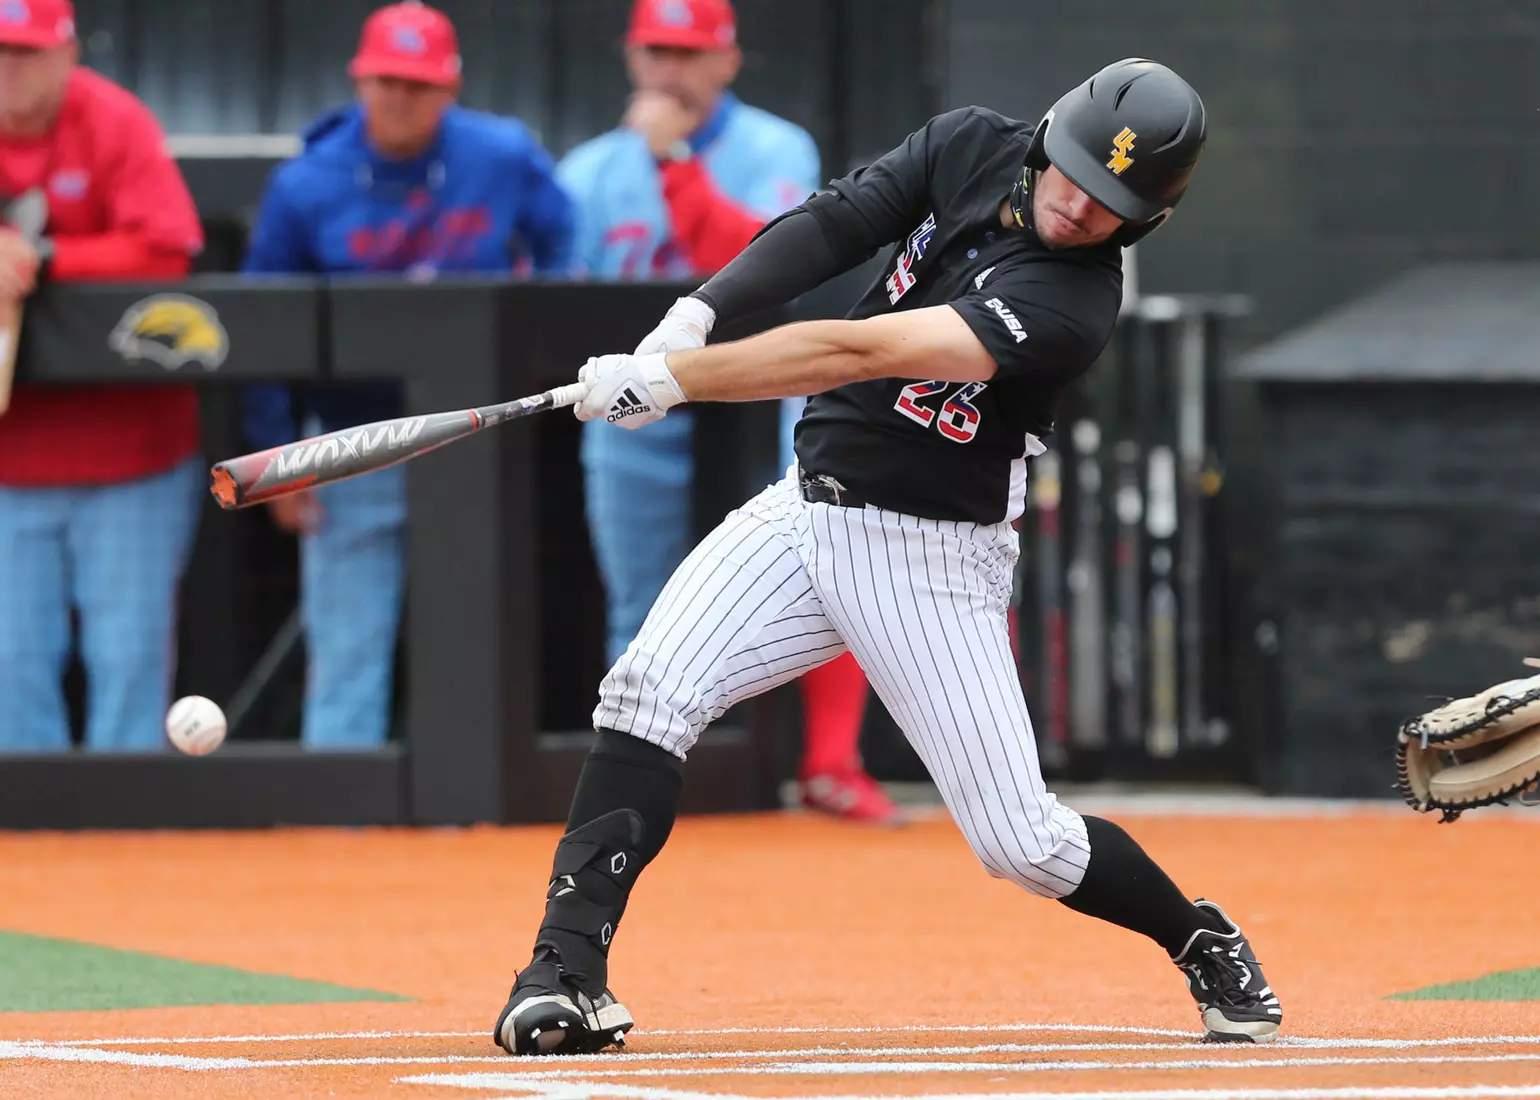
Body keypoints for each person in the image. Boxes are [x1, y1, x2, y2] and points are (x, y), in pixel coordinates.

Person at [492, 58, 1285, 1056]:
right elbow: (834, 223)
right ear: (1046, 137)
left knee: (1021, 841)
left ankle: (1195, 934)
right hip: (805, 507)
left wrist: (676, 380)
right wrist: (694, 312)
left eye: (1113, 203)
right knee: (645, 692)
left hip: (930, 555)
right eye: (1075, 171)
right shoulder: (967, 145)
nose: (1080, 204)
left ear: (1144, 222)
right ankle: (562, 974)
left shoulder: (1071, 303)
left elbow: (853, 352)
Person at [559, 0, 897, 822]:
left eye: (689, 51)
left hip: (755, 395)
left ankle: (827, 765)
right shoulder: (589, 171)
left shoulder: (776, 147)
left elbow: (750, 261)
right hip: (640, 414)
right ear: (631, 56)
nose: (670, 70)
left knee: (831, 566)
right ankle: (633, 792)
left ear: (727, 60)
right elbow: (556, 302)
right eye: (656, 51)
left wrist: (673, 159)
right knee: (637, 600)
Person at [239, 0, 574, 750]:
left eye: (418, 84)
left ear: (449, 87)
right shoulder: (308, 180)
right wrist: (277, 461)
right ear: (360, 80)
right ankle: (342, 808)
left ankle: (466, 810)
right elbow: (261, 327)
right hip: (352, 440)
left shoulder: (501, 153)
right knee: (350, 637)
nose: (399, 97)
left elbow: (565, 244)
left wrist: (541, 347)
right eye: (387, 80)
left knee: (472, 633)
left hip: (474, 434)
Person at [0, 0, 205, 753]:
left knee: (127, 659)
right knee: (11, 660)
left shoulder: (113, 120)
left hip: (128, 454)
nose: (9, 70)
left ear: (66, 54)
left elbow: (168, 249)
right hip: (10, 455)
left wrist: (44, 260)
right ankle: (24, 839)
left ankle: (131, 840)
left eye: (25, 53)